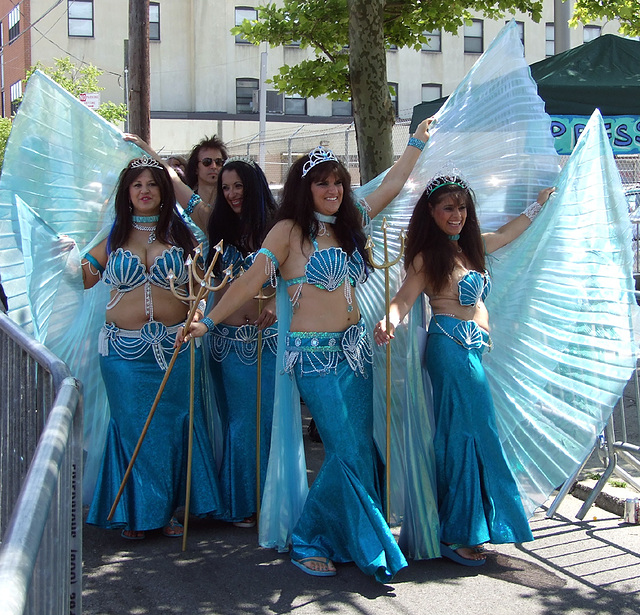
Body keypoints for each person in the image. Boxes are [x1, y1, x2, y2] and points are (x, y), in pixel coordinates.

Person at [180, 118, 433, 581]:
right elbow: (249, 280)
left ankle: (342, 536)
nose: (333, 189)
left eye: (338, 181)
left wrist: (417, 140)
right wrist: (208, 320)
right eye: (323, 182)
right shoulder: (286, 233)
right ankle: (310, 537)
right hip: (312, 358)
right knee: (346, 448)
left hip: (356, 354)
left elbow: (395, 183)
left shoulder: (352, 220)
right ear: (306, 187)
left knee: (356, 446)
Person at [373, 173, 555, 566]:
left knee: (469, 434)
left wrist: (539, 203)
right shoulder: (426, 257)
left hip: (470, 351)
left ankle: (465, 527)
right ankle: (459, 532)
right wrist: (389, 321)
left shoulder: (472, 250)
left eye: (462, 207)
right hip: (449, 350)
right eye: (448, 208)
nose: (457, 214)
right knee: (469, 435)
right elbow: (403, 298)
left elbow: (508, 232)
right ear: (432, 213)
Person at [84, 156, 222, 539]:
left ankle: (164, 510)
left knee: (170, 427)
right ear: (127, 193)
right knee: (132, 428)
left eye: (153, 184)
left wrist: (200, 317)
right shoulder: (112, 236)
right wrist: (63, 256)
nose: (145, 191)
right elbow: (82, 279)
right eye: (137, 185)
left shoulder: (183, 235)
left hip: (174, 348)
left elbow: (204, 287)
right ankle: (137, 511)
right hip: (122, 355)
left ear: (164, 192)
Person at [203, 157, 278, 528]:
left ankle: (263, 497)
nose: (231, 194)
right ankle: (243, 500)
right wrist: (150, 157)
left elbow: (303, 275)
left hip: (267, 343)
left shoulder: (280, 230)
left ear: (254, 188)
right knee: (241, 420)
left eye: (238, 186)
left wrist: (279, 302)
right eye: (225, 187)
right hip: (224, 343)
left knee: (262, 421)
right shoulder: (217, 228)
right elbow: (184, 196)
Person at [183, 135, 228, 230]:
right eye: (207, 162)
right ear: (196, 168)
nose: (214, 166)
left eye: (218, 162)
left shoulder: (230, 201)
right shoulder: (184, 202)